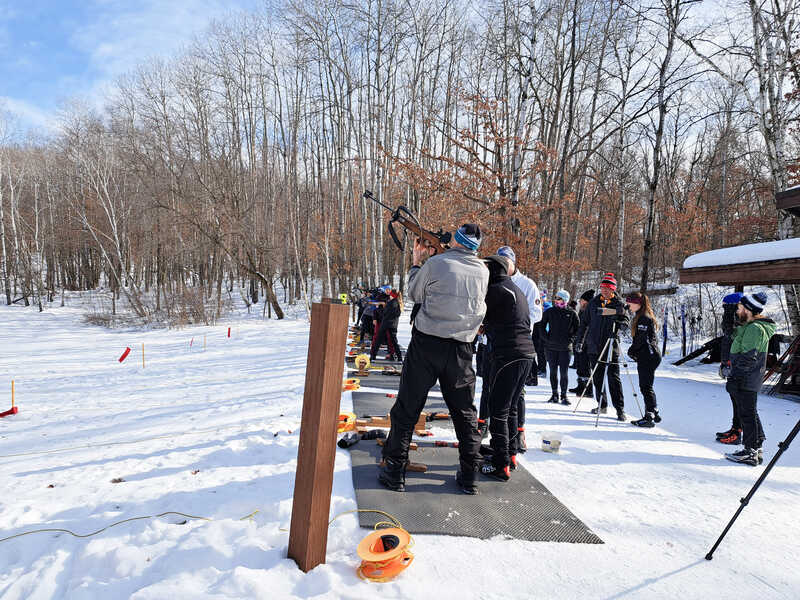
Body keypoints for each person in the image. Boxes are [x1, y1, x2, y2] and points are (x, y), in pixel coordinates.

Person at [380, 224, 488, 494]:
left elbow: (415, 294)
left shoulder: (438, 263)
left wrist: (417, 262)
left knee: (407, 409)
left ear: (456, 240)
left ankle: (395, 472)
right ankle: (470, 475)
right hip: (462, 349)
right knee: (464, 414)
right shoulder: (483, 270)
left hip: (427, 344)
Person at [480, 255, 536, 481]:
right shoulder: (512, 288)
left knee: (498, 410)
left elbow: (477, 314)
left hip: (509, 355)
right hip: (525, 353)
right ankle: (510, 454)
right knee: (511, 408)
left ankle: (500, 464)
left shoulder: (495, 290)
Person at [489, 245, 543, 452]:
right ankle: (497, 437)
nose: (503, 265)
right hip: (497, 343)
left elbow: (536, 313)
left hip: (515, 344)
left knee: (513, 399)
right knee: (492, 392)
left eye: (506, 262)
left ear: (513, 263)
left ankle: (517, 435)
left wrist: (513, 320)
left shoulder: (526, 284)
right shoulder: (495, 282)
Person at [724, 292, 775, 466]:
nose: (737, 310)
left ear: (748, 309)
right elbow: (732, 334)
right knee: (749, 411)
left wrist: (736, 377)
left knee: (747, 414)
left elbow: (748, 357)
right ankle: (757, 446)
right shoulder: (749, 326)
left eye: (739, 307)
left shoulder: (755, 329)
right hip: (747, 377)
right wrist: (728, 321)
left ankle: (750, 451)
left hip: (747, 378)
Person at [576, 272, 629, 421]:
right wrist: (580, 341)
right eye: (602, 288)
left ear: (613, 289)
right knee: (598, 378)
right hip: (593, 346)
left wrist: (623, 324)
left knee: (614, 379)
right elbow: (584, 324)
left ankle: (620, 409)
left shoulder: (619, 304)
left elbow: (626, 320)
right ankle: (602, 405)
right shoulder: (593, 303)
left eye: (607, 288)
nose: (604, 290)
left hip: (611, 346)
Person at [625, 292, 662, 427]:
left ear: (638, 303)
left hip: (649, 355)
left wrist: (632, 350)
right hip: (648, 355)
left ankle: (650, 416)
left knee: (645, 386)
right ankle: (653, 411)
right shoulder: (640, 316)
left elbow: (641, 339)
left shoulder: (644, 318)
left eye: (630, 303)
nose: (628, 305)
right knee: (646, 386)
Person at [541, 289, 579, 405]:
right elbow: (541, 326)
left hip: (565, 349)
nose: (556, 300)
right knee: (552, 372)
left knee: (564, 373)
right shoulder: (550, 311)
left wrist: (571, 339)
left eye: (559, 298)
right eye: (556, 298)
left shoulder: (572, 313)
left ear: (565, 300)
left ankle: (564, 395)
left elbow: (577, 329)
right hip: (551, 348)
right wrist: (546, 339)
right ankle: (554, 394)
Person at [716, 292, 744, 444]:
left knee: (739, 400)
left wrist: (728, 361)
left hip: (736, 364)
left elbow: (731, 337)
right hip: (729, 362)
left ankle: (738, 431)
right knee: (734, 398)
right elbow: (727, 339)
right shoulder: (731, 320)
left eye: (726, 307)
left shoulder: (738, 321)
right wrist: (724, 361)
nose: (724, 309)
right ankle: (735, 428)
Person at [570, 289, 595, 397]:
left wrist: (583, 341)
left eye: (582, 301)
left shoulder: (591, 312)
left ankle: (588, 390)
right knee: (580, 366)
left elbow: (588, 328)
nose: (580, 302)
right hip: (579, 341)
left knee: (585, 366)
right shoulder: (582, 311)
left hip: (587, 343)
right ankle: (580, 386)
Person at [371, 289, 402, 361]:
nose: (389, 295)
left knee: (378, 340)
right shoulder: (396, 302)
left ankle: (373, 356)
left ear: (392, 295)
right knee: (394, 342)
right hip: (393, 325)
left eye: (390, 294)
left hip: (386, 324)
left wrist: (378, 308)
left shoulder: (392, 303)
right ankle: (399, 357)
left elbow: (384, 314)